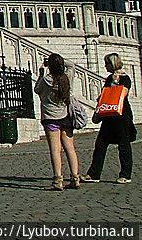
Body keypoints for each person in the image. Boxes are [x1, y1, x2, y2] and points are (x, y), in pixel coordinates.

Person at [82, 53, 135, 184]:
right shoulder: (108, 79)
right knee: (100, 144)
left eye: (107, 64)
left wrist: (116, 84)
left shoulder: (125, 78)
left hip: (121, 115)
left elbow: (122, 95)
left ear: (113, 64)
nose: (105, 66)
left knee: (123, 145)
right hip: (108, 115)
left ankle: (125, 174)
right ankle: (94, 174)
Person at [35, 53, 79, 190]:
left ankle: (58, 180)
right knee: (70, 148)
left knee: (55, 150)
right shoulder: (67, 78)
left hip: (50, 118)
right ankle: (75, 177)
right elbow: (72, 65)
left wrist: (41, 73)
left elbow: (37, 90)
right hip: (65, 116)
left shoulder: (46, 81)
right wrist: (60, 62)